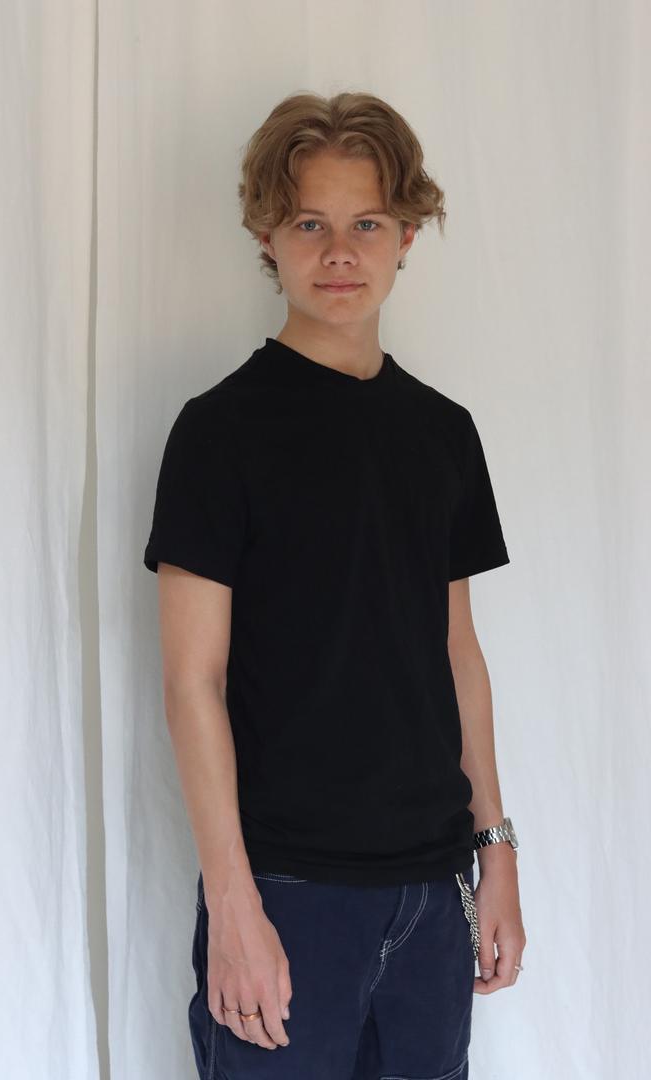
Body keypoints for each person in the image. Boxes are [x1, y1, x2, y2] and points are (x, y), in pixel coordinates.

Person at [143, 90, 526, 1080]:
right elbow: (192, 682)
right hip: (287, 893)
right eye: (311, 224)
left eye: (367, 224)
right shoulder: (219, 433)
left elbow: (457, 653)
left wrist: (496, 853)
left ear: (406, 238)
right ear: (267, 237)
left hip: (432, 894)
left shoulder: (443, 433)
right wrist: (233, 902)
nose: (341, 252)